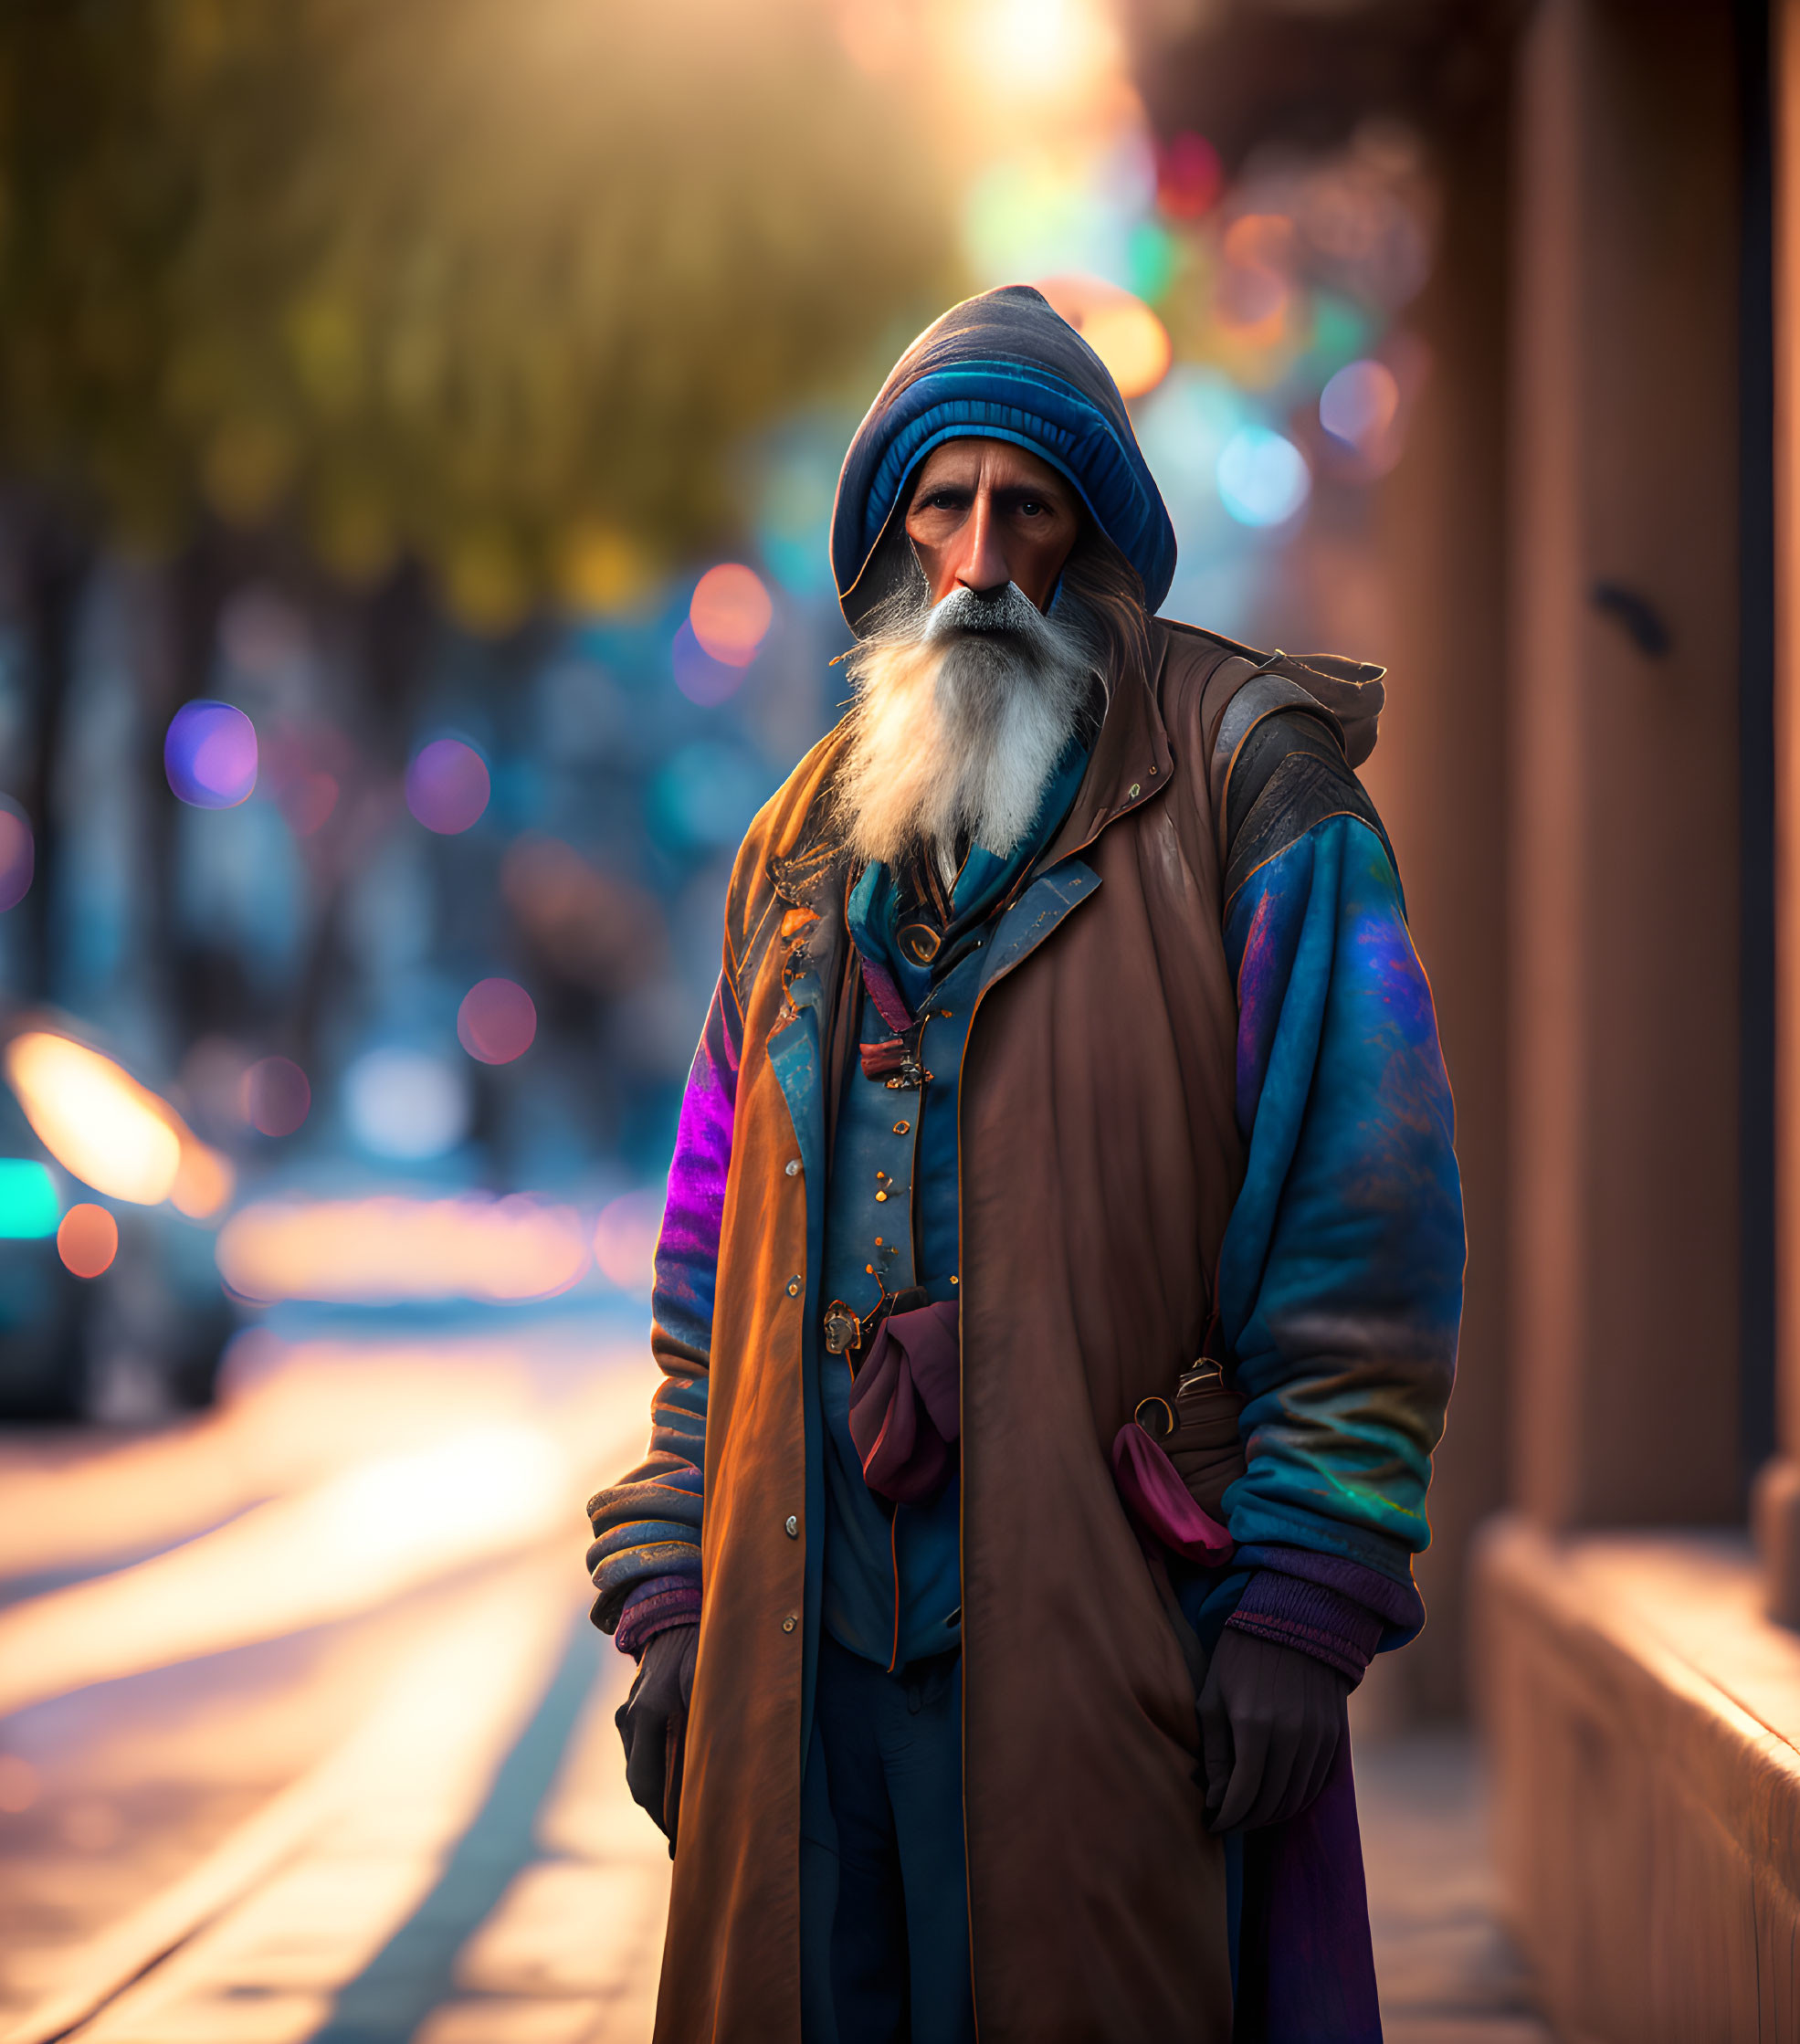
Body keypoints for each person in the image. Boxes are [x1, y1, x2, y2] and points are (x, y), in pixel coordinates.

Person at [585, 284, 1463, 2044]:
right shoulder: (797, 846)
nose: (980, 560)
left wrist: (1303, 1594)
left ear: (1092, 544)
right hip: (808, 1650)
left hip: (1110, 1636)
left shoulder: (1251, 791)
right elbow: (705, 1262)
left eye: (1026, 508)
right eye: (942, 506)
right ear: (896, 545)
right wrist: (673, 1578)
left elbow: (1362, 1228)